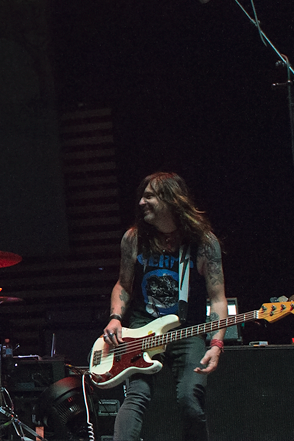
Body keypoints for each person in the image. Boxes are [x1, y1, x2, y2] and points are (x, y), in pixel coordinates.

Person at [101, 172, 226, 441]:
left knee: (190, 398)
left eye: (149, 196)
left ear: (171, 199)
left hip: (187, 331)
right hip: (142, 327)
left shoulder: (204, 243)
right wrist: (115, 318)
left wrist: (216, 344)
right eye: (142, 196)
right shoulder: (134, 238)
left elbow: (217, 298)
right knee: (137, 395)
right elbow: (124, 285)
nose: (141, 202)